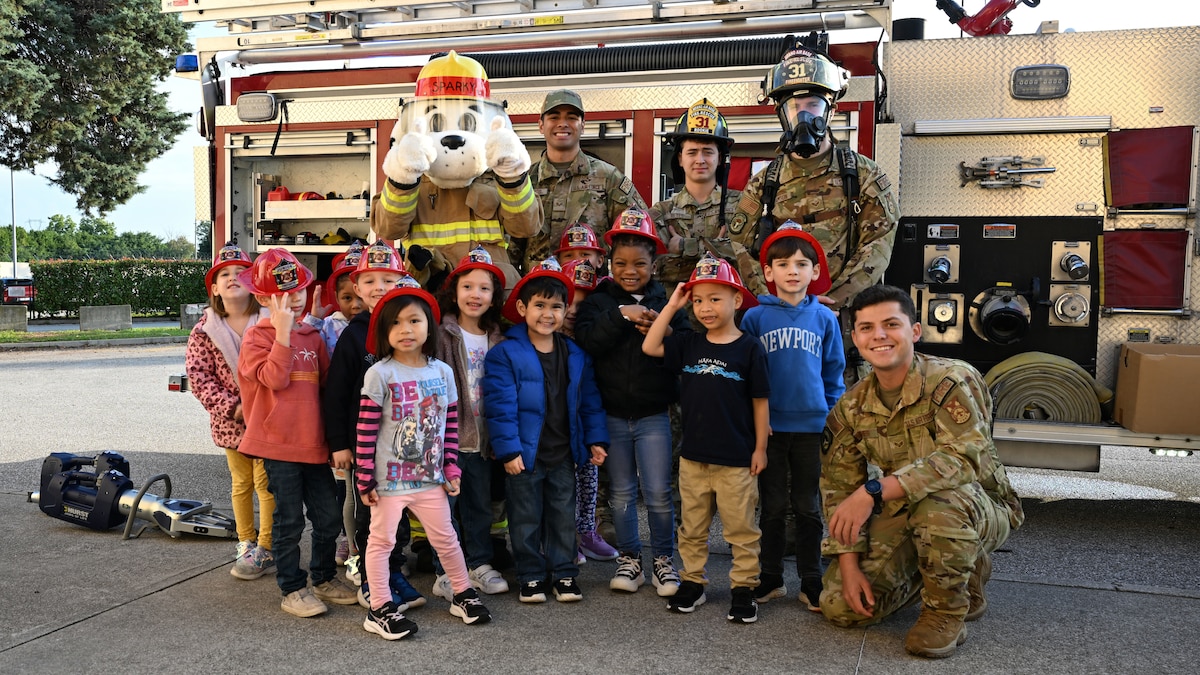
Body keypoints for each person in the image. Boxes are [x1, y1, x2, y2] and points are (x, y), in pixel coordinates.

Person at [819, 285, 1024, 658]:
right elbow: (837, 487)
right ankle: (951, 570)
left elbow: (964, 459)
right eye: (866, 328)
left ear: (914, 331)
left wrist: (873, 492)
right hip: (908, 508)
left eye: (890, 324)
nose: (878, 336)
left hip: (978, 505)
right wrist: (848, 562)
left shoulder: (951, 380)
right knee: (840, 608)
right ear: (855, 338)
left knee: (939, 502)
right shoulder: (851, 407)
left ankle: (946, 611)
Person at [726, 42, 899, 377]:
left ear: (830, 110)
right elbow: (741, 246)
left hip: (843, 321)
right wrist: (778, 300)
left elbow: (879, 245)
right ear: (782, 113)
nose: (804, 116)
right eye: (795, 107)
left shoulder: (863, 175)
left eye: (813, 105)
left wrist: (832, 300)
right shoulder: (764, 183)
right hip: (782, 324)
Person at [355, 281, 492, 640]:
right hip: (389, 482)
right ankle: (380, 607)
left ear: (429, 326)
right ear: (384, 330)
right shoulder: (379, 374)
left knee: (447, 539)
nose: (406, 330)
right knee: (381, 542)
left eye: (414, 321)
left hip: (431, 479)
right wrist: (365, 477)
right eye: (396, 323)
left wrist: (450, 466)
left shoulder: (441, 373)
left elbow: (448, 428)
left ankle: (462, 593)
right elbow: (366, 431)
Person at [643, 253, 769, 623]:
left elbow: (761, 402)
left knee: (741, 529)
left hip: (737, 460)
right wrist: (672, 305)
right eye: (698, 300)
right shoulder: (688, 343)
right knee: (693, 527)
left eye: (715, 298)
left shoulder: (749, 348)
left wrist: (760, 448)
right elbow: (650, 346)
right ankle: (693, 582)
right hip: (694, 458)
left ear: (737, 300)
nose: (705, 307)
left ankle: (744, 588)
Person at [236, 249, 359, 617]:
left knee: (328, 518)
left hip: (312, 445)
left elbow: (325, 387)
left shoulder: (313, 336)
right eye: (283, 293)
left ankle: (322, 577)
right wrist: (284, 335)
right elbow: (274, 378)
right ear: (262, 298)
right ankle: (292, 587)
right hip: (277, 447)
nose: (294, 299)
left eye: (299, 290)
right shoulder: (256, 337)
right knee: (288, 520)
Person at [482, 258, 609, 604]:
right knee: (525, 519)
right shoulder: (505, 354)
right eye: (539, 305)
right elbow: (500, 405)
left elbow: (589, 402)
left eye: (556, 306)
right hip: (524, 455)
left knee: (562, 516)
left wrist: (595, 440)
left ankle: (564, 573)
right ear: (523, 308)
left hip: (564, 452)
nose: (547, 314)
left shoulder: (575, 354)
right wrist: (508, 451)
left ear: (566, 310)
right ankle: (531, 575)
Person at [574, 208, 686, 597]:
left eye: (640, 263)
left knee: (657, 491)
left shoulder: (669, 299)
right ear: (609, 262)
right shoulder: (600, 302)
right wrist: (622, 314)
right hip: (612, 415)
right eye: (620, 262)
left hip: (654, 415)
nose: (630, 270)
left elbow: (685, 348)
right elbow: (588, 340)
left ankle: (664, 561)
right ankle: (631, 559)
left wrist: (667, 329)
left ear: (655, 263)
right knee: (621, 492)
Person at [739, 224, 845, 610]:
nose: (792, 271)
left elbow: (833, 374)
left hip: (812, 426)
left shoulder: (824, 319)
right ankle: (769, 578)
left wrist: (834, 419)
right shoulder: (754, 319)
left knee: (806, 505)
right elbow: (745, 376)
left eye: (802, 264)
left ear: (815, 272)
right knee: (771, 505)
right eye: (782, 264)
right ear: (768, 272)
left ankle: (811, 579)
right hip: (768, 428)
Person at [322, 241, 425, 612]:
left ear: (402, 280)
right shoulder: (354, 334)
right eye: (370, 280)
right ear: (357, 286)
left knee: (397, 516)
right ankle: (371, 580)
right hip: (365, 449)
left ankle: (394, 572)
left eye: (388, 278)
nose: (379, 286)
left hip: (403, 447)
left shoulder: (412, 326)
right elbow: (335, 394)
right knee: (370, 516)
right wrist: (340, 444)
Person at [186, 243, 275, 579]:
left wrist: (264, 406)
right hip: (232, 424)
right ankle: (245, 540)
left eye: (241, 273)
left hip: (267, 420)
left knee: (266, 484)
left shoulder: (269, 321)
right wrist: (233, 408)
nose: (233, 278)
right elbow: (200, 378)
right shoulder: (203, 332)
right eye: (225, 274)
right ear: (214, 288)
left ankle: (266, 545)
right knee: (242, 484)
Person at [433, 247, 510, 595]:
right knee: (443, 509)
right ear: (455, 291)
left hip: (483, 438)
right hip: (448, 439)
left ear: (494, 297)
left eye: (484, 288)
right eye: (468, 287)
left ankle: (478, 562)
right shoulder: (441, 333)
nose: (475, 294)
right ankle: (444, 571)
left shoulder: (498, 337)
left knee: (479, 504)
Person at [509, 89, 648, 275]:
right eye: (554, 117)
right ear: (541, 125)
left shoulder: (608, 178)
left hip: (592, 294)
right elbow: (511, 247)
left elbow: (638, 236)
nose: (562, 124)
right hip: (539, 295)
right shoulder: (525, 181)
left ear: (583, 126)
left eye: (572, 117)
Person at [304, 242, 367, 567]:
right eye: (347, 298)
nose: (355, 304)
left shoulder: (378, 324)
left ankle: (363, 539)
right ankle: (347, 539)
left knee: (363, 489)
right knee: (344, 489)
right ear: (336, 298)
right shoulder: (329, 325)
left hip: (366, 419)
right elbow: (308, 341)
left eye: (359, 297)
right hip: (338, 416)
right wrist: (315, 317)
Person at [649, 99, 741, 288]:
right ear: (680, 159)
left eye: (707, 152)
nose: (700, 160)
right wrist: (718, 248)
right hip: (674, 315)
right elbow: (649, 267)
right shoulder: (660, 214)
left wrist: (685, 247)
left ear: (720, 158)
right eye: (692, 152)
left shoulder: (742, 206)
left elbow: (749, 256)